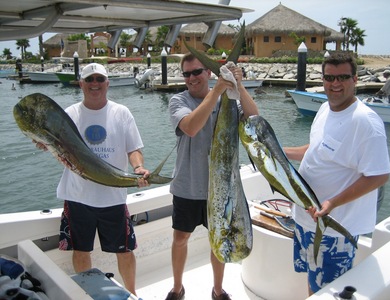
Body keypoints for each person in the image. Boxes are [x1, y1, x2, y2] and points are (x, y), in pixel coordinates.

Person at [36, 63, 149, 298]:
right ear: (81, 84)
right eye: (89, 79)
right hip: (78, 198)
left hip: (113, 198)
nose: (94, 84)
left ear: (107, 83)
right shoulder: (68, 115)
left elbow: (134, 148)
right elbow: (54, 144)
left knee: (125, 251)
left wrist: (138, 167)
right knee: (80, 250)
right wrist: (43, 142)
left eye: (99, 79)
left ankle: (131, 293)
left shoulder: (122, 113)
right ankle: (88, 293)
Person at [284, 52, 390, 295]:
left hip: (335, 230)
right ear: (322, 79)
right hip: (305, 220)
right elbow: (316, 150)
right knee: (313, 282)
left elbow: (379, 175)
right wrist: (279, 151)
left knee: (329, 290)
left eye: (343, 77)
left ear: (355, 79)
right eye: (329, 77)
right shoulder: (324, 109)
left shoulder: (365, 122)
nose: (335, 84)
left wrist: (332, 202)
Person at [167, 53, 259, 300]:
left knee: (218, 240)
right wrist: (218, 90)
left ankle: (218, 290)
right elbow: (191, 127)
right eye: (187, 74)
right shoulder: (179, 100)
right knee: (180, 238)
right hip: (188, 186)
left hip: (222, 190)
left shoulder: (228, 99)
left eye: (197, 71)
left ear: (208, 72)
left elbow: (253, 119)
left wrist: (237, 85)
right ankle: (177, 288)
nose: (192, 78)